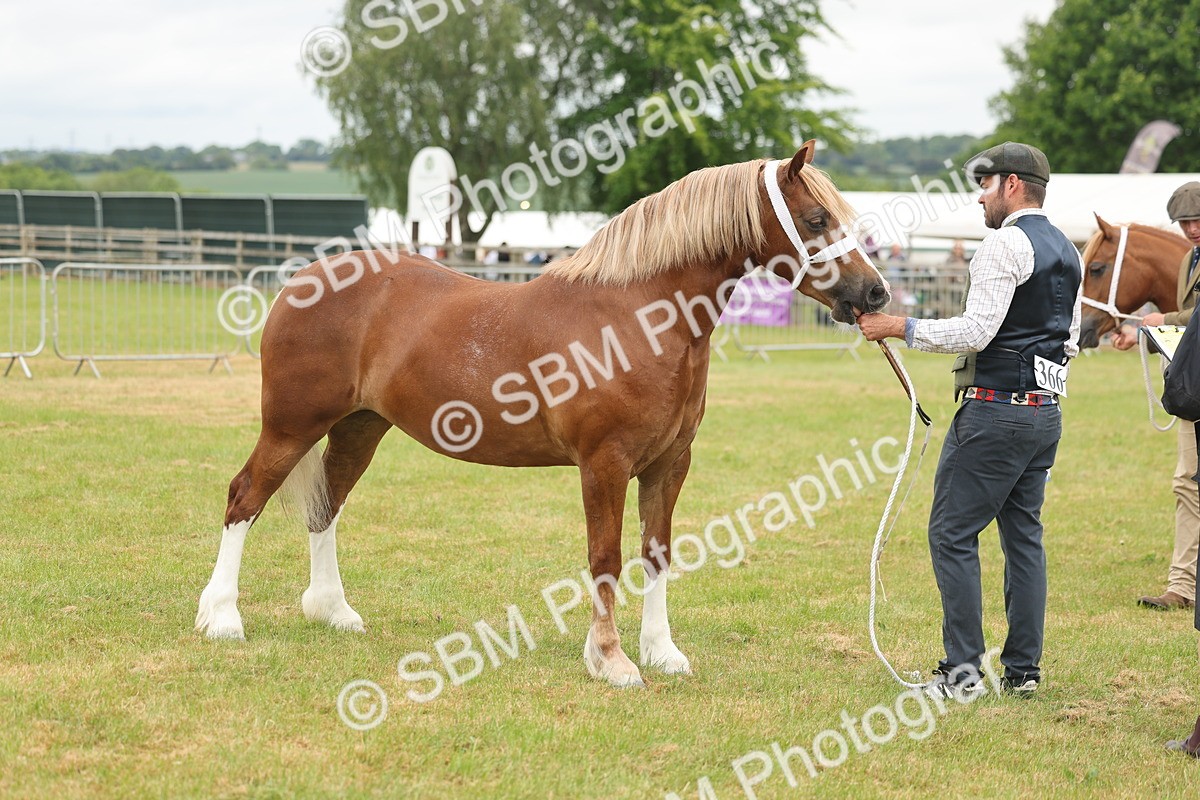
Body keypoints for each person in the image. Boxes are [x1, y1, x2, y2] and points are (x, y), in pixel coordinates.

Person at [859, 142, 1082, 698]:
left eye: (985, 185)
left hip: (993, 416)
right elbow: (1070, 343)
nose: (980, 198)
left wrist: (898, 327)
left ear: (1010, 185)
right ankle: (1023, 673)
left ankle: (961, 675)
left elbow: (975, 331)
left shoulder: (1003, 244)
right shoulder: (1070, 251)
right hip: (1043, 416)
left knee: (952, 534)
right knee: (1023, 539)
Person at [1111, 182, 1200, 611]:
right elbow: (1189, 331)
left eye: (1198, 220)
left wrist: (1161, 317)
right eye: (1185, 222)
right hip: (1195, 389)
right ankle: (1182, 587)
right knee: (1187, 483)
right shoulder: (1188, 260)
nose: (1192, 228)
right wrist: (1140, 335)